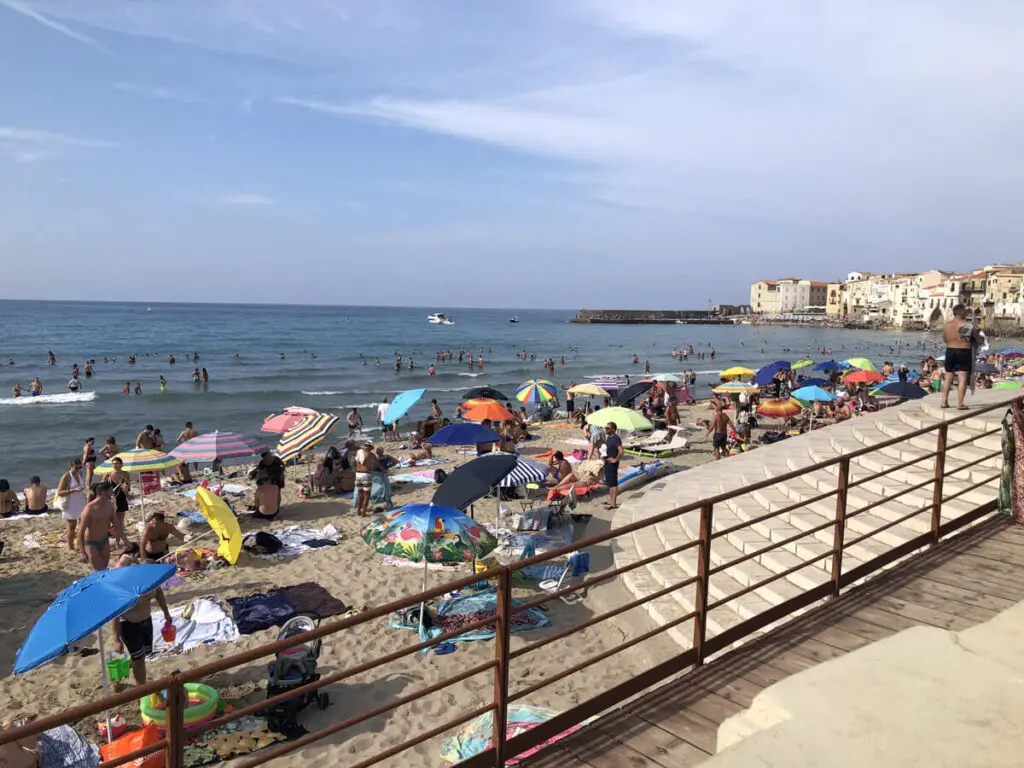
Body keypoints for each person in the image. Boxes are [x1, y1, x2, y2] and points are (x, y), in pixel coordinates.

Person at [113, 545, 173, 685]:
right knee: (139, 660)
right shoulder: (128, 586)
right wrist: (116, 638)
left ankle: (119, 674)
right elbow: (115, 613)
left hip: (146, 621)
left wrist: (166, 612)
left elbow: (159, 594)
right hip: (128, 624)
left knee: (141, 656)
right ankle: (142, 691)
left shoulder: (153, 582)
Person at [78, 482, 128, 570]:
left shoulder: (109, 506)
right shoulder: (89, 509)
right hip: (91, 543)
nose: (113, 492)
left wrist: (125, 541)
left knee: (104, 569)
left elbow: (117, 525)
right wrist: (82, 552)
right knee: (100, 571)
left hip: (104, 541)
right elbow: (80, 531)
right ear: (103, 493)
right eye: (110, 490)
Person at [942, 304, 982, 410]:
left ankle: (944, 402)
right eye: (965, 312)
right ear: (962, 313)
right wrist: (981, 338)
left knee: (948, 377)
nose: (967, 313)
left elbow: (945, 339)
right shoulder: (968, 325)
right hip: (963, 351)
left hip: (950, 350)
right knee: (962, 378)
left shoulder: (947, 325)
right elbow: (978, 340)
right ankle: (960, 404)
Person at [56, 459, 87, 552]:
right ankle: (70, 547)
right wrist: (73, 490)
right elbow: (59, 492)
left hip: (80, 501)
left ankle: (79, 542)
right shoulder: (66, 476)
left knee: (82, 524)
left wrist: (82, 489)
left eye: (80, 467)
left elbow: (80, 486)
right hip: (70, 502)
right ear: (71, 466)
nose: (78, 469)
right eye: (76, 467)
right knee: (72, 525)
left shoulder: (79, 474)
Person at [602, 422, 624, 509]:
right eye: (605, 428)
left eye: (607, 428)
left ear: (613, 429)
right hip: (607, 462)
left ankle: (613, 503)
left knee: (613, 483)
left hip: (612, 463)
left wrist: (616, 459)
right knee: (610, 482)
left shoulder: (616, 438)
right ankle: (610, 500)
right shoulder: (609, 438)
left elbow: (621, 451)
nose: (605, 429)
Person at [354, 441, 378, 516]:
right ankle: (363, 513)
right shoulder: (371, 454)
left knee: (359, 494)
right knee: (367, 495)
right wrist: (383, 469)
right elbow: (378, 463)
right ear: (370, 447)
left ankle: (358, 511)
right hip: (366, 474)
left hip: (357, 474)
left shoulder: (359, 452)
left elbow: (355, 463)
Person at [107, 456, 132, 529]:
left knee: (120, 519)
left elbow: (128, 489)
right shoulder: (108, 474)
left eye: (117, 463)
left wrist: (126, 487)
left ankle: (119, 534)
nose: (115, 465)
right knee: (110, 518)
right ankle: (112, 532)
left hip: (121, 498)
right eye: (113, 464)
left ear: (121, 464)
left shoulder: (125, 474)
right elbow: (102, 488)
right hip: (111, 499)